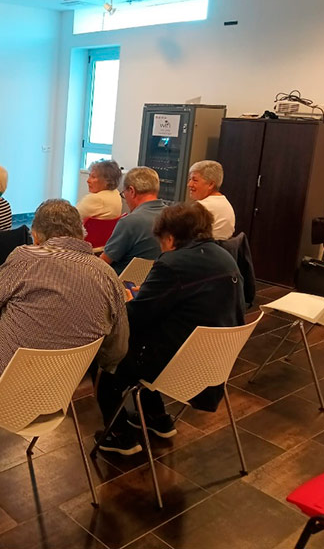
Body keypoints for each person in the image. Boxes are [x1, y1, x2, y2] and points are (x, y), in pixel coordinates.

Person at [0, 199, 129, 461]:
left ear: (36, 235)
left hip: (1, 390)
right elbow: (117, 350)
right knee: (2, 353)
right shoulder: (108, 275)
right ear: (82, 233)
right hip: (58, 393)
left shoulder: (24, 258)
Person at [95, 202, 245, 455]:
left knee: (106, 356)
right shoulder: (224, 256)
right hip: (213, 361)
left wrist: (129, 300)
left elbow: (136, 317)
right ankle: (157, 417)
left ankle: (119, 435)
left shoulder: (173, 263)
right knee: (150, 342)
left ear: (171, 237)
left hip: (176, 364)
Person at [101, 167, 166, 274]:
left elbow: (104, 262)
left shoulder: (130, 222)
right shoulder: (173, 217)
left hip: (123, 284)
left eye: (124, 194)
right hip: (156, 282)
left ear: (132, 191)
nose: (125, 199)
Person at [187, 160, 236, 240]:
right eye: (190, 180)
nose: (189, 184)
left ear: (211, 184)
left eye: (195, 180)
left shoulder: (202, 207)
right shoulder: (226, 204)